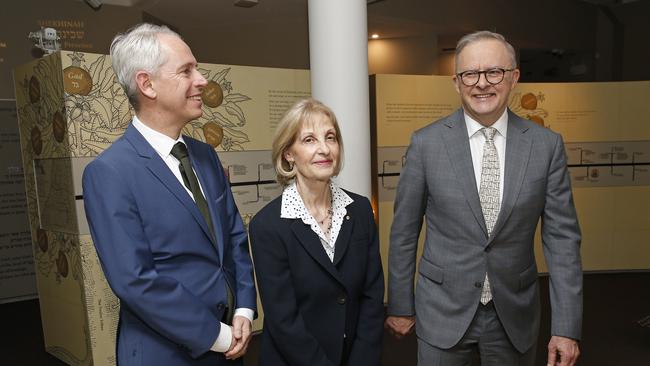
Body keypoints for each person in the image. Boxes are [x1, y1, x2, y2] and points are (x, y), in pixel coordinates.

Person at [385, 31, 582, 366]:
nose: (481, 84)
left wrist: (566, 327)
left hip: (513, 314)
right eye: (470, 74)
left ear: (514, 77)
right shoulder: (426, 144)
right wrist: (401, 304)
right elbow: (404, 230)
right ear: (456, 82)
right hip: (442, 309)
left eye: (494, 72)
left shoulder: (546, 146)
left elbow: (562, 240)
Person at [82, 23, 256, 366]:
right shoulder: (109, 173)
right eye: (186, 70)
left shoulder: (205, 155)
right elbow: (135, 280)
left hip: (228, 343)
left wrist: (245, 310)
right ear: (147, 84)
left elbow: (234, 238)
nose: (202, 80)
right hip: (164, 353)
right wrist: (217, 336)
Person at [249, 98, 384, 366]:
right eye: (309, 140)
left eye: (330, 137)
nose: (324, 149)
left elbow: (372, 294)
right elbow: (283, 318)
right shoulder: (268, 225)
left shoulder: (359, 210)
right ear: (289, 153)